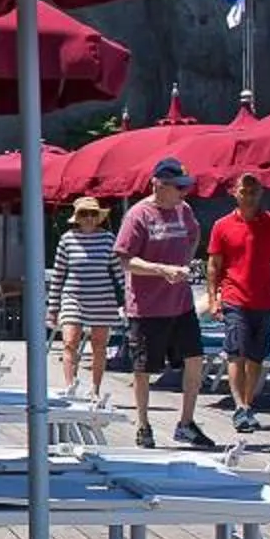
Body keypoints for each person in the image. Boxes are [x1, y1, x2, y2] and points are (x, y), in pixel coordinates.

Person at [112, 157, 216, 450]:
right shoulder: (138, 215)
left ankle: (186, 423)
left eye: (186, 187)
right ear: (158, 185)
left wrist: (182, 263)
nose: (183, 193)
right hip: (146, 308)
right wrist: (162, 270)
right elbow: (125, 260)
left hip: (181, 304)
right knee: (143, 368)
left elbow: (194, 235)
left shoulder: (184, 211)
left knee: (195, 359)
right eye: (178, 187)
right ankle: (143, 424)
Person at [207, 172, 270, 430]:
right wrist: (214, 299)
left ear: (260, 193)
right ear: (235, 193)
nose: (248, 197)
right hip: (234, 297)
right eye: (244, 192)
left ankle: (247, 405)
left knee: (256, 357)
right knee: (236, 352)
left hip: (265, 300)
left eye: (253, 192)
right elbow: (214, 265)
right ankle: (240, 406)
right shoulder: (222, 226)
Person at [42, 197, 123, 401]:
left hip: (102, 297)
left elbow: (119, 272)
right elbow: (58, 275)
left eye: (93, 214)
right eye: (84, 214)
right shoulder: (67, 239)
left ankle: (95, 389)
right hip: (73, 296)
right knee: (69, 341)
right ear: (77, 218)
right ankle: (70, 385)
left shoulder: (108, 239)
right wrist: (53, 308)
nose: (89, 218)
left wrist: (128, 299)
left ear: (98, 217)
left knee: (99, 345)